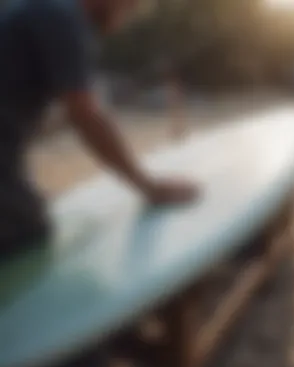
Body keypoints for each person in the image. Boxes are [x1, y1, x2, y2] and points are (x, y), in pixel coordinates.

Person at [0, 0, 199, 258]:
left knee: (27, 211)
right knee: (26, 233)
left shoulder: (43, 9)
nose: (128, 17)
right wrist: (148, 186)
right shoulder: (63, 17)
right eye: (129, 7)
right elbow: (84, 114)